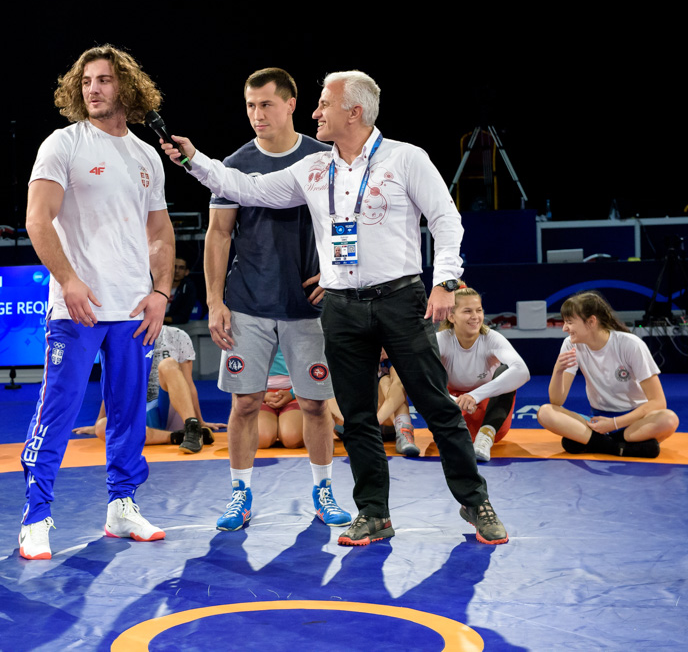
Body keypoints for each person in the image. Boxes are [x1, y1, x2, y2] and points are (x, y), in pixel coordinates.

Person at [161, 69, 508, 545]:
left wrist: (446, 281)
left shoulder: (406, 158)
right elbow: (247, 188)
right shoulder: (313, 169)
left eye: (324, 104)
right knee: (358, 416)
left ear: (354, 112)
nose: (315, 112)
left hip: (400, 299)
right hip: (341, 307)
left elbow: (446, 219)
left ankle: (475, 502)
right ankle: (374, 513)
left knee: (436, 406)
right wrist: (194, 160)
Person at [19, 45, 176, 560]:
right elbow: (37, 219)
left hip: (132, 310)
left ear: (126, 87)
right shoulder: (63, 144)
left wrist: (160, 292)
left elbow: (160, 232)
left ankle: (122, 505)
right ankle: (36, 516)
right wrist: (67, 280)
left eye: (104, 79)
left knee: (129, 413)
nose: (93, 89)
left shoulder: (147, 156)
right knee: (58, 411)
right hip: (77, 309)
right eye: (86, 81)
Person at [201, 67, 349, 533]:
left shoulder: (325, 157)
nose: (256, 114)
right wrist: (215, 301)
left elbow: (347, 221)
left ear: (291, 104)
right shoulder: (233, 164)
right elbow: (218, 235)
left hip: (310, 306)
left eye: (265, 104)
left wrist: (339, 274)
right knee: (245, 404)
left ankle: (324, 491)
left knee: (316, 405)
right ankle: (239, 494)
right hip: (248, 303)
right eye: (250, 105)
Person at [537, 291, 678, 457]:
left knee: (669, 419)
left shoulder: (630, 344)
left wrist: (614, 424)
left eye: (569, 322)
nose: (564, 328)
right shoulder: (571, 344)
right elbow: (556, 401)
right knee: (545, 412)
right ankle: (619, 447)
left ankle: (594, 442)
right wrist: (558, 370)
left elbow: (658, 402)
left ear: (591, 321)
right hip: (597, 421)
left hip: (634, 421)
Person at [74, 325, 223, 448]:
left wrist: (199, 421)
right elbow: (114, 387)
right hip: (141, 416)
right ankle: (176, 437)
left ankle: (192, 427)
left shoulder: (177, 335)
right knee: (102, 427)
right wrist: (98, 423)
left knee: (168, 364)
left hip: (171, 410)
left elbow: (188, 383)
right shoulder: (124, 340)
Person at [437, 286, 530, 462]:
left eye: (479, 310)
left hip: (490, 417)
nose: (475, 316)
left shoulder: (491, 337)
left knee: (505, 371)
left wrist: (474, 396)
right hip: (454, 412)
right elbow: (420, 378)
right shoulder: (441, 340)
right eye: (467, 311)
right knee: (427, 372)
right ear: (451, 316)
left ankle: (484, 439)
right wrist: (457, 401)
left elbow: (522, 371)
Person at [376, 349, 418, 456]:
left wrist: (374, 422)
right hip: (350, 424)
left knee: (387, 381)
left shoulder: (391, 352)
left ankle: (404, 431)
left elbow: (400, 384)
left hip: (385, 423)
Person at [165, 257, 197, 324]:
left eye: (181, 268)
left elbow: (183, 318)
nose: (177, 271)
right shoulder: (156, 284)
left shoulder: (188, 288)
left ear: (186, 272)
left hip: (173, 325)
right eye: (174, 267)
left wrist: (161, 319)